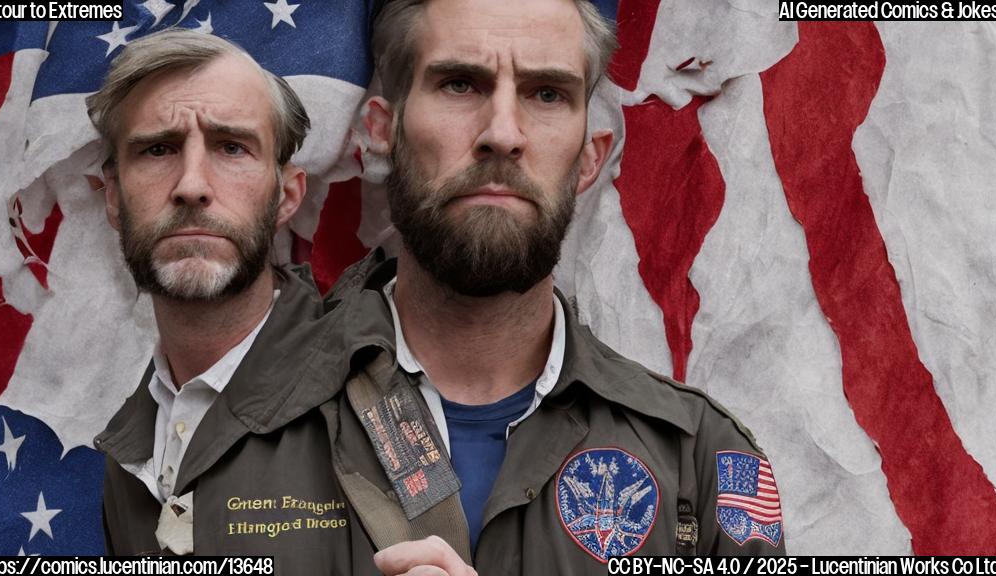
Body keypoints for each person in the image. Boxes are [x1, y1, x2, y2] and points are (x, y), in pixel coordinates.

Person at [324, 0, 787, 572]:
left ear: (590, 158)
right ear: (381, 131)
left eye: (546, 94)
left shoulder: (706, 459)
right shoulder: (234, 418)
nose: (502, 134)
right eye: (461, 84)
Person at [87, 28, 334, 563]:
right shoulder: (129, 445)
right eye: (158, 149)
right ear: (112, 196)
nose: (192, 184)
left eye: (231, 147)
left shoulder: (381, 385)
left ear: (287, 195)